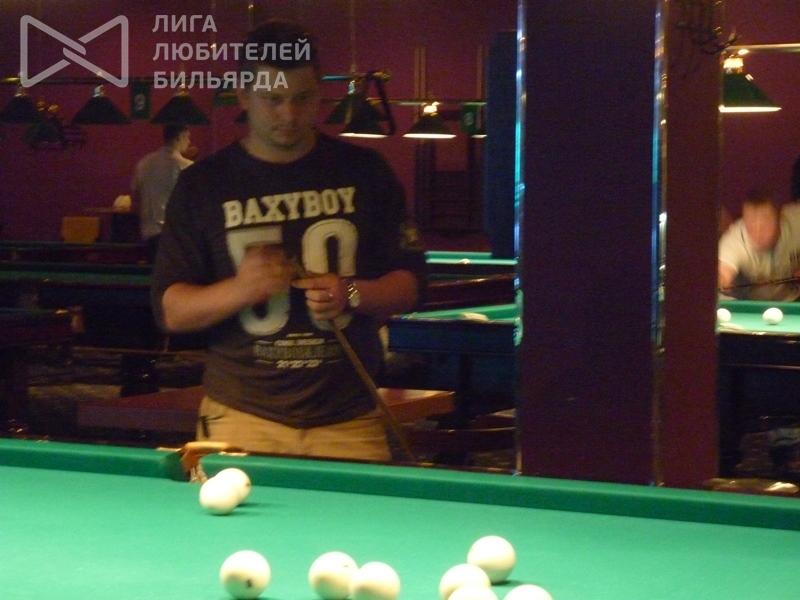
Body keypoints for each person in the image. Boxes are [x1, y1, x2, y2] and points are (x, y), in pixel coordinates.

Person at [150, 19, 427, 462]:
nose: (289, 114)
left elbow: (412, 286)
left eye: (303, 98)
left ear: (319, 92)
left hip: (349, 417)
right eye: (273, 99)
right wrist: (241, 289)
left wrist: (351, 292)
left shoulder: (366, 171)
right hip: (241, 417)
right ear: (243, 95)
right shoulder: (203, 185)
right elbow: (171, 312)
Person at [718, 189, 800, 301]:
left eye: (766, 221)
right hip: (753, 306)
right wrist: (720, 280)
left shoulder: (796, 220)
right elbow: (723, 272)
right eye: (751, 220)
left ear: (780, 217)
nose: (758, 231)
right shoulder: (734, 241)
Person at [132, 124, 193, 261]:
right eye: (188, 137)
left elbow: (135, 202)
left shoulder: (144, 163)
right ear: (179, 137)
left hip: (148, 235)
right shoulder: (187, 166)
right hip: (175, 236)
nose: (189, 141)